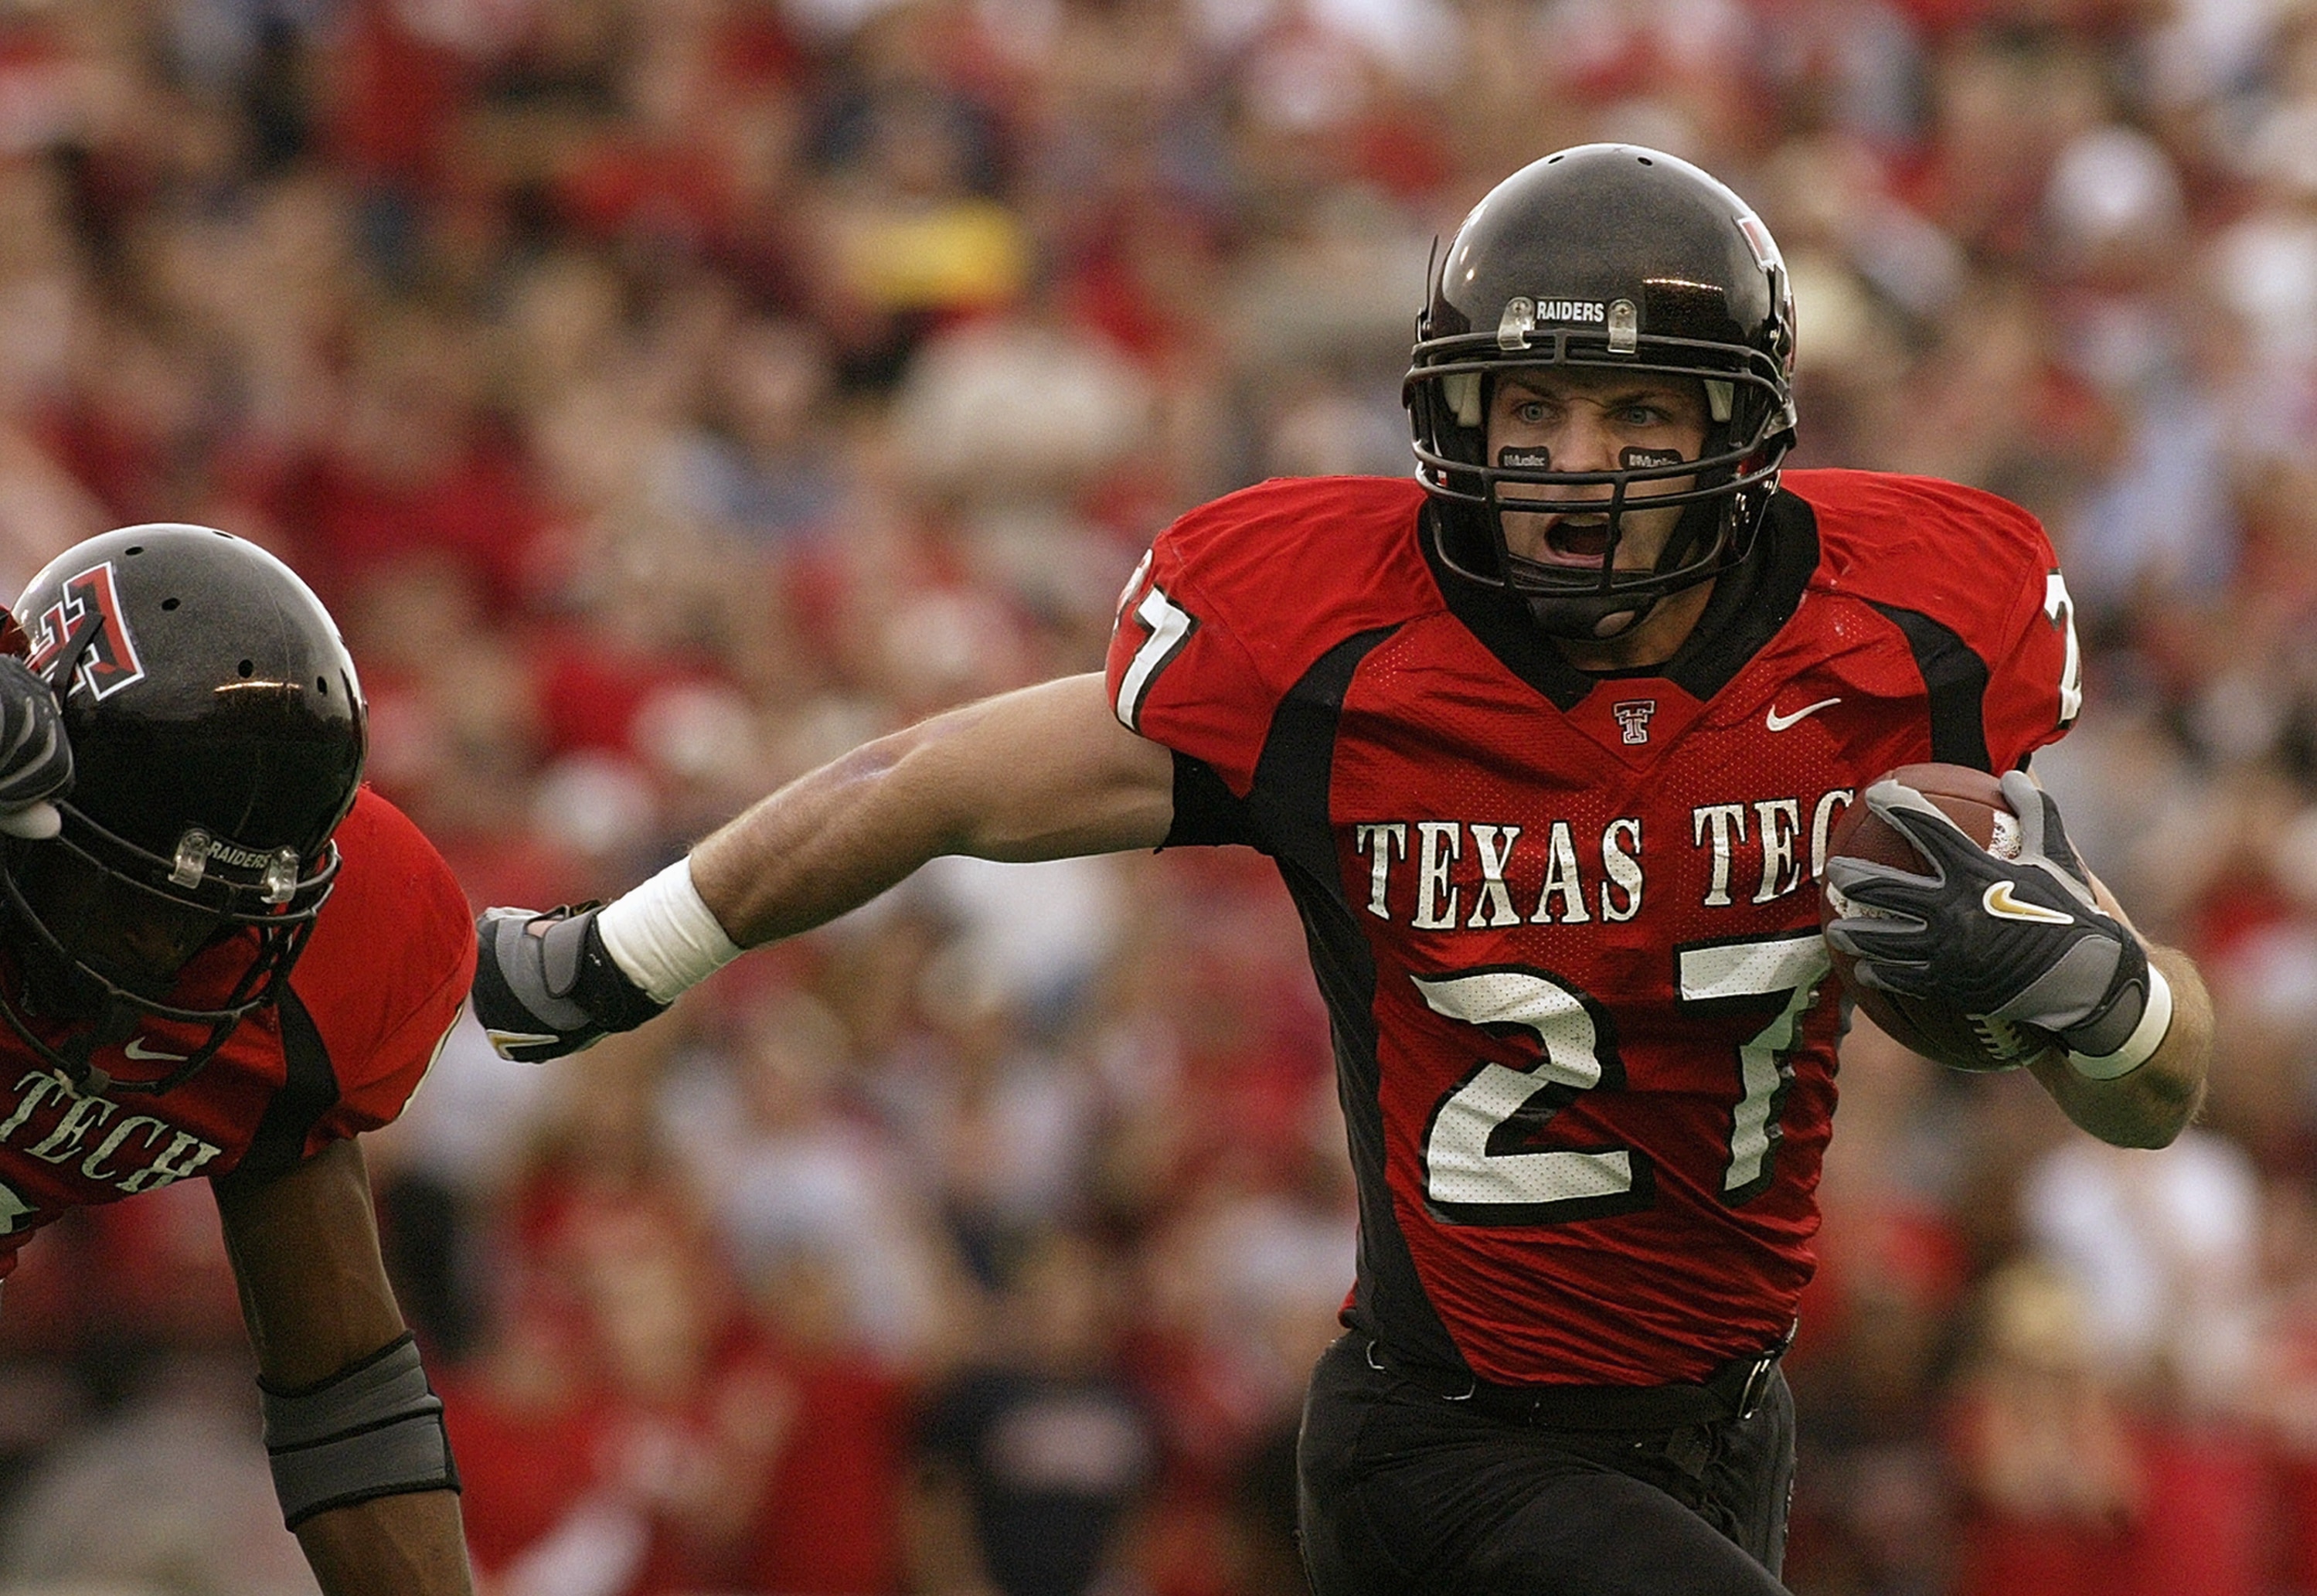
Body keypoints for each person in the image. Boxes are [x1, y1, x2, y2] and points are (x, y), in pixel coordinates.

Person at [471, 145, 2213, 1595]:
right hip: (1444, 1445)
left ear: (1734, 427)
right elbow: (930, 780)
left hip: (1723, 1426)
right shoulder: (1335, 657)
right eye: (1528, 402)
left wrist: (2100, 997)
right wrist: (622, 950)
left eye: (1631, 410)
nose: (1573, 464)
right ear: (1450, 407)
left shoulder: (1892, 645)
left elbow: (2155, 1095)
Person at [0, 523, 478, 1594]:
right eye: (130, 895)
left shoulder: (289, 987)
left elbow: (349, 1396)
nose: (163, 952)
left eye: (211, 922)